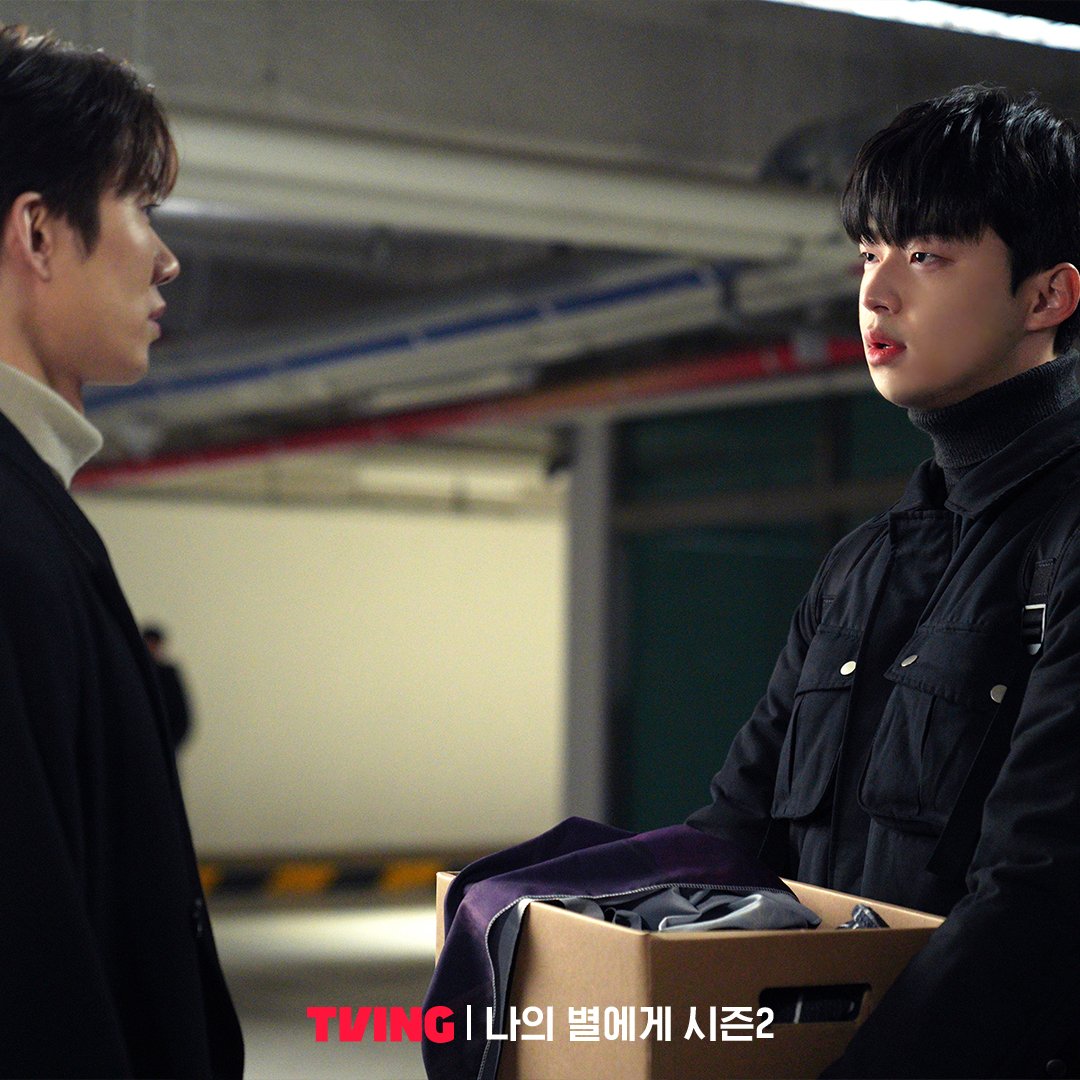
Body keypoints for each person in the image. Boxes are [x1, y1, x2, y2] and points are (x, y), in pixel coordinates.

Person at [687, 84, 1080, 1078]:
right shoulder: (863, 564)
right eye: (869, 254)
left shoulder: (1066, 540)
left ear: (1047, 297)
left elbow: (1041, 889)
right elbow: (736, 829)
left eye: (927, 256)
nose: (876, 292)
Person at [0, 25, 242, 1078]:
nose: (166, 255)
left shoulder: (33, 509)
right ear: (39, 234)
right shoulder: (10, 540)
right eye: (141, 205)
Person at [144, 624, 194, 751]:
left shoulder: (168, 675)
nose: (151, 647)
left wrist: (167, 746)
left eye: (154, 643)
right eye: (149, 643)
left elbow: (181, 718)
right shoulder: (133, 674)